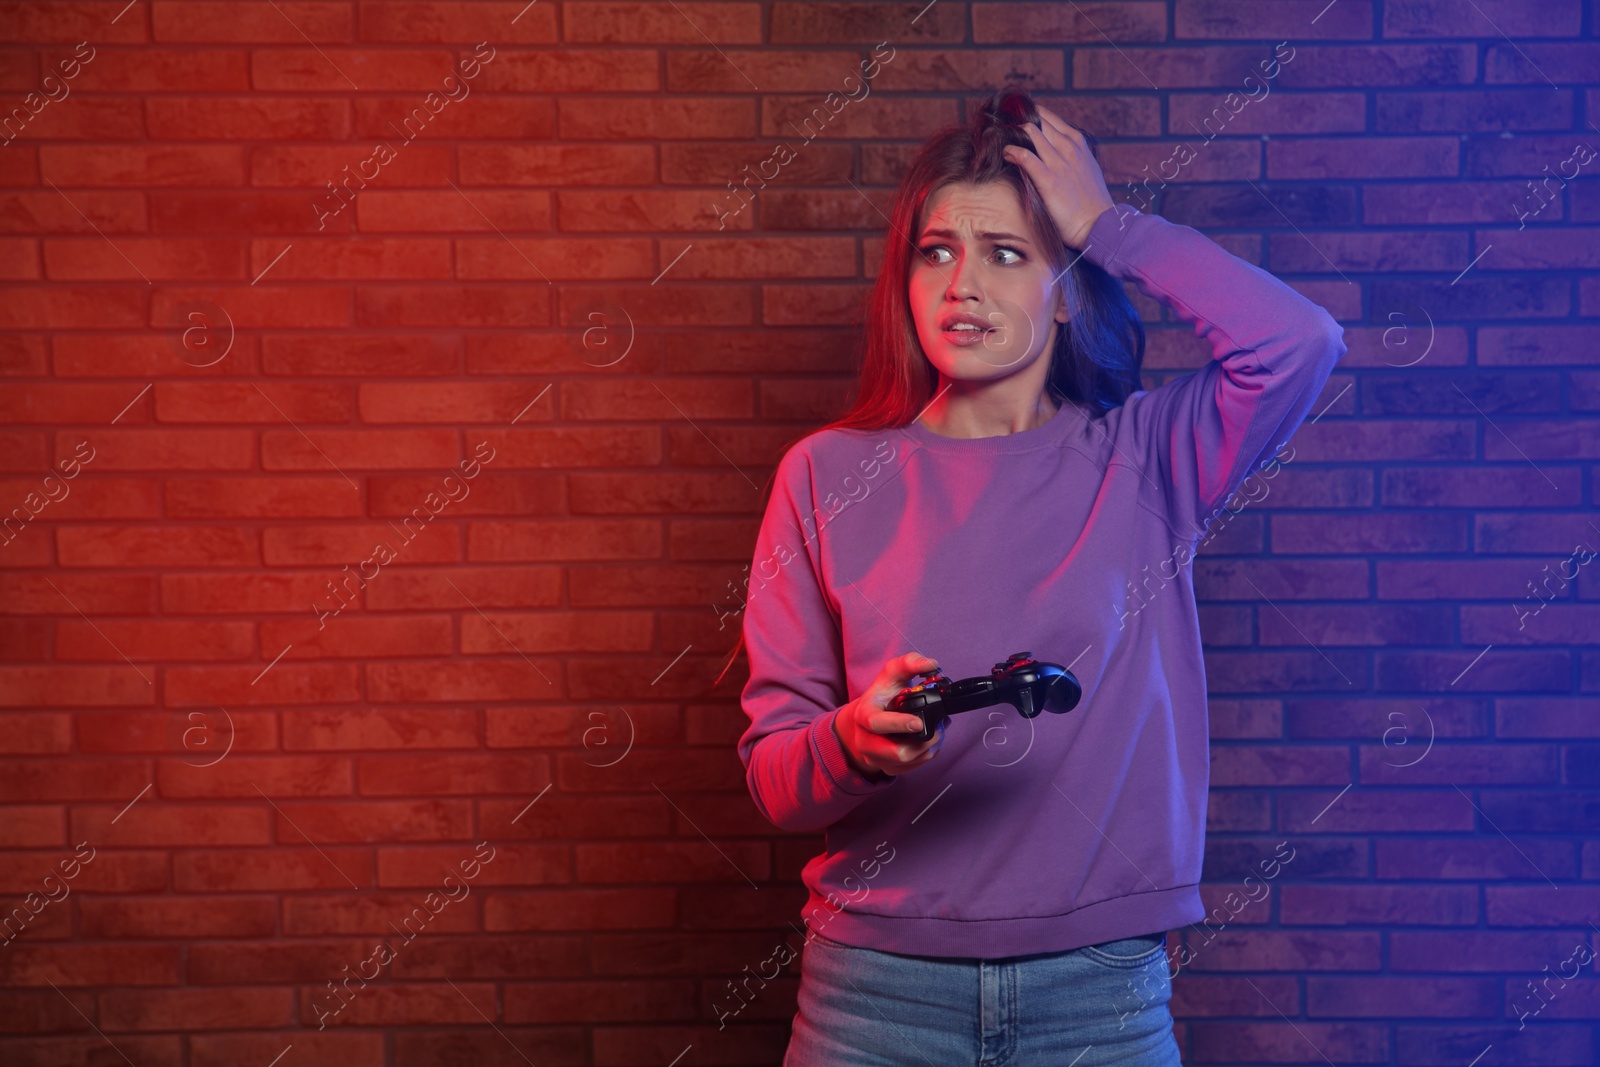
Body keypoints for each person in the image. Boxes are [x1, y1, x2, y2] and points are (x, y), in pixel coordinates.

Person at [729, 88, 1346, 1065]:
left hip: (1097, 996)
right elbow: (775, 779)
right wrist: (848, 741)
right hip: (873, 998)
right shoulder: (824, 476)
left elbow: (1298, 343)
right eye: (937, 250)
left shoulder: (1147, 458)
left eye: (1007, 253)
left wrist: (1110, 225)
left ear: (1066, 289)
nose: (960, 282)